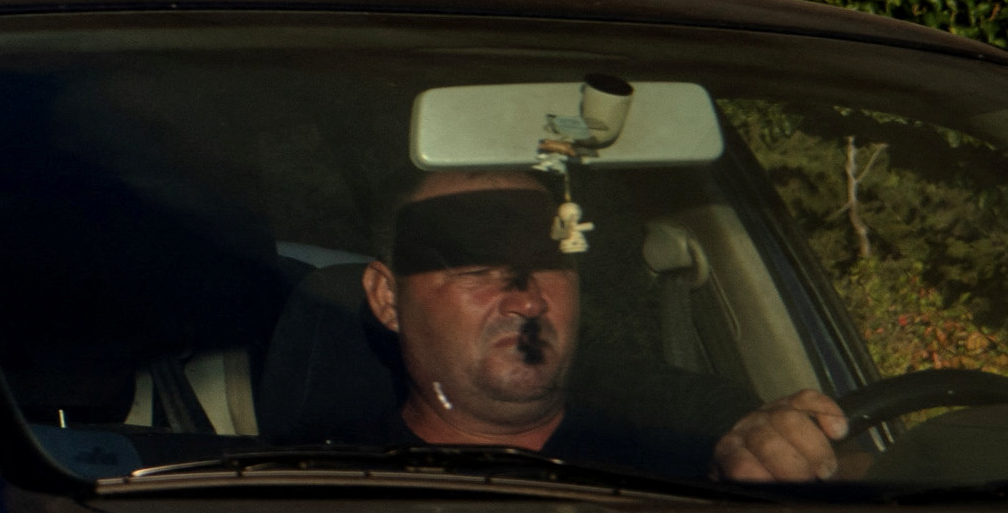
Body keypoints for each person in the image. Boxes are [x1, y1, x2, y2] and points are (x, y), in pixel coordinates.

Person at [339, 170, 846, 483]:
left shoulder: (682, 460)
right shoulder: (328, 492)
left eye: (548, 262)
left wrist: (781, 454)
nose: (527, 299)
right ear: (388, 299)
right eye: (476, 269)